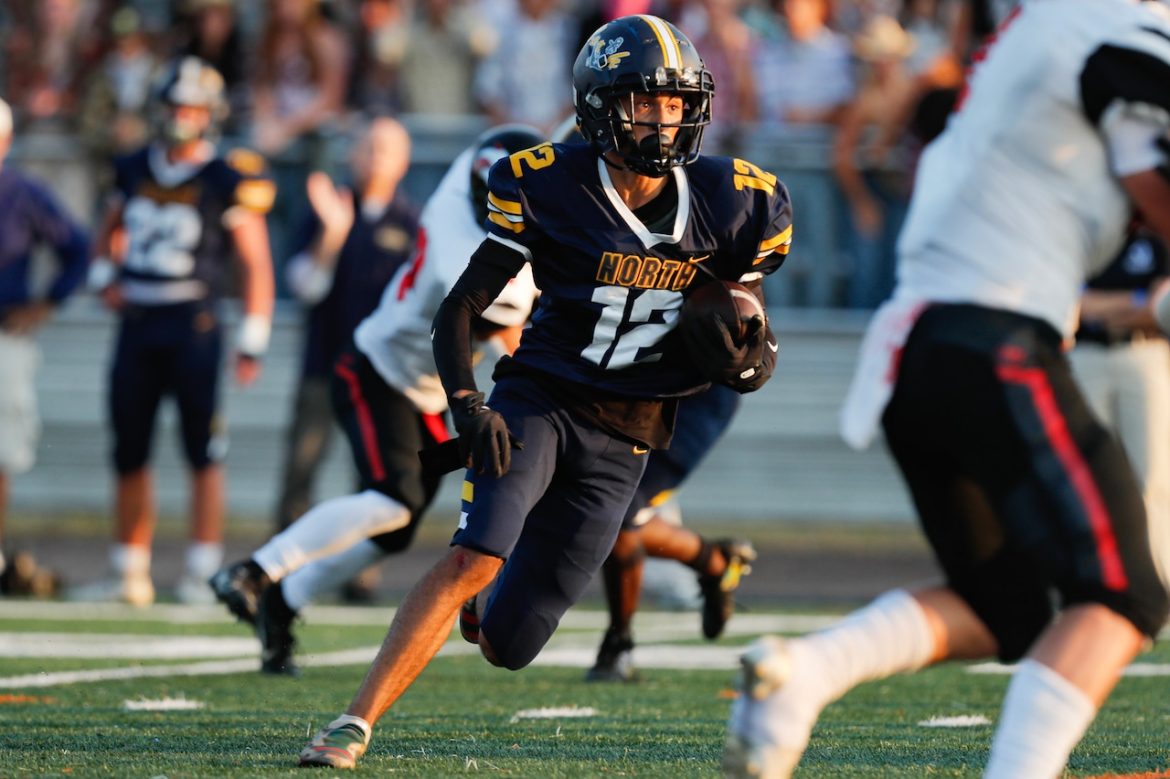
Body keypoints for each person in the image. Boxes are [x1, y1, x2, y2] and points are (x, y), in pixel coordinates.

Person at [298, 15, 790, 768]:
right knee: (475, 555)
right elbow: (460, 309)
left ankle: (486, 604)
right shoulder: (551, 183)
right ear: (600, 107)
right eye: (644, 101)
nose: (663, 118)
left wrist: (751, 356)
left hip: (629, 433)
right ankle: (352, 723)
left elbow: (749, 319)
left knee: (510, 643)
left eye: (675, 102)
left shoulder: (735, 201)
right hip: (543, 399)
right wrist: (469, 405)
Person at [728, 2, 1170, 777]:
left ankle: (810, 670)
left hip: (920, 346)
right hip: (996, 336)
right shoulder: (1116, 31)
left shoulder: (1045, 32)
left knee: (1008, 608)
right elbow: (1153, 185)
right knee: (1126, 594)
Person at [209, 125, 543, 674]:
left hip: (424, 395)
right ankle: (257, 570)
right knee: (394, 497)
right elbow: (506, 333)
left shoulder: (458, 186)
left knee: (397, 525)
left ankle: (283, 601)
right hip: (375, 372)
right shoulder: (462, 258)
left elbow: (500, 149)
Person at [80, 56, 276, 607]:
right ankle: (129, 569)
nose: (181, 117)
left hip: (195, 324)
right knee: (129, 448)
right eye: (173, 106)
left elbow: (255, 262)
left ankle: (201, 569)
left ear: (210, 113)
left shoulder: (226, 176)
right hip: (138, 323)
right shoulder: (132, 167)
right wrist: (104, 277)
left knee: (203, 450)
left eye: (191, 108)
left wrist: (253, 338)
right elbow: (106, 233)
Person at [273, 117, 419, 534]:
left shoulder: (411, 224)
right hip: (324, 364)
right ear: (352, 155)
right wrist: (332, 234)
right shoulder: (327, 211)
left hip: (380, 373)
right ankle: (285, 556)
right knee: (301, 466)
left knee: (373, 475)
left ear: (403, 161)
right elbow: (304, 287)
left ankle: (359, 560)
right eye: (367, 147)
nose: (374, 158)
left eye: (385, 150)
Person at [586, 382, 757, 682]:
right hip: (629, 390)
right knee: (594, 506)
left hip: (691, 396)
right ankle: (714, 560)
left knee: (619, 510)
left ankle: (619, 644)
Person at [0, 96, 89, 591]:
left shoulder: (22, 194)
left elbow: (77, 249)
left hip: (4, 335)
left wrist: (45, 304)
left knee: (1, 450)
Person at [1070, 231, 1170, 588]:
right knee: (1088, 478)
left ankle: (1160, 585)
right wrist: (1135, 301)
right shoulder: (1089, 231)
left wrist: (1100, 307)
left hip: (1143, 354)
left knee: (1153, 478)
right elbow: (1072, 304)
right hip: (1084, 355)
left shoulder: (1154, 231)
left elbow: (1161, 309)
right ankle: (1097, 584)